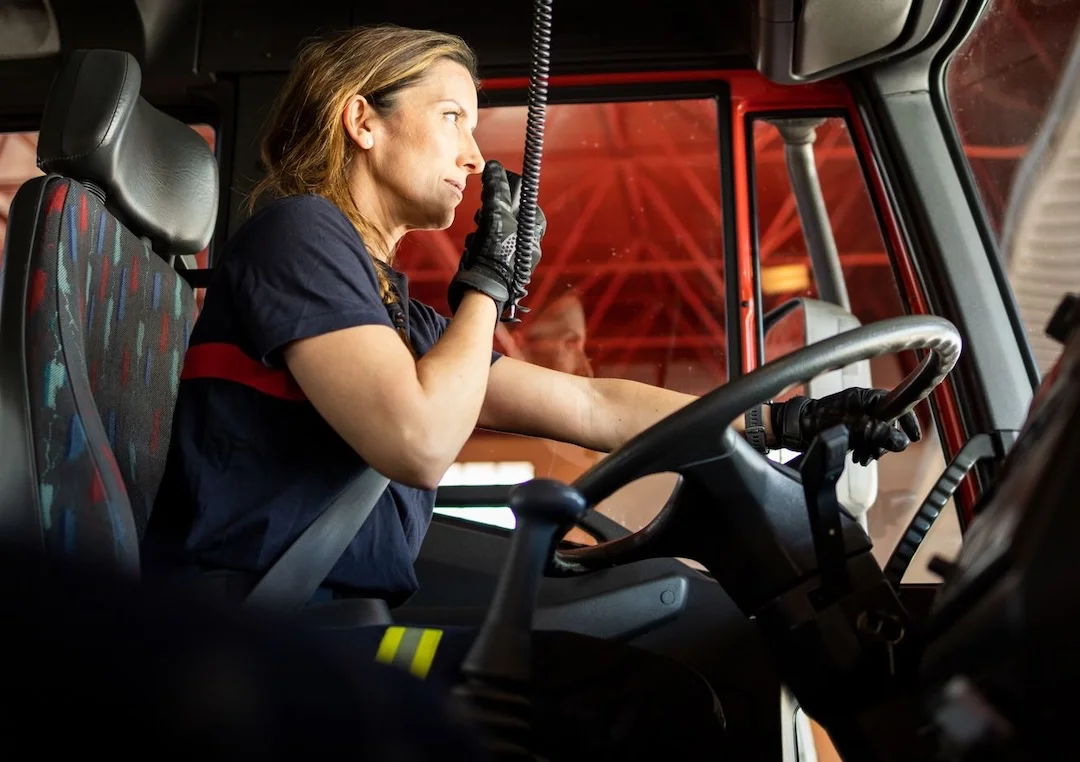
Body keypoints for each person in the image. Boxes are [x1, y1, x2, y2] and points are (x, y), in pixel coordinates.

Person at [141, 22, 920, 752]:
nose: (475, 157)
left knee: (665, 675)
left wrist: (786, 423)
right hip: (268, 639)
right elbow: (416, 441)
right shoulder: (300, 232)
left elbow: (590, 403)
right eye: (452, 116)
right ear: (362, 121)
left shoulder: (393, 313)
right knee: (653, 706)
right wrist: (484, 284)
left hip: (337, 623)